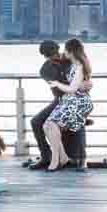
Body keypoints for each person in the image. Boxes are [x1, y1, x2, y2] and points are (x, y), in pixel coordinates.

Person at [29, 40, 87, 170]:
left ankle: (81, 158)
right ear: (45, 56)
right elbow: (61, 87)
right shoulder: (45, 70)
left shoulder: (70, 59)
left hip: (76, 99)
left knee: (78, 117)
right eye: (51, 54)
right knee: (36, 122)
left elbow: (83, 72)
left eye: (55, 52)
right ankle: (46, 156)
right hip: (60, 100)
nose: (55, 56)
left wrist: (83, 84)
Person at [45, 38, 95, 171]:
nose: (63, 52)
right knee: (47, 126)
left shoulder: (79, 66)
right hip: (69, 100)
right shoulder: (70, 62)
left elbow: (73, 88)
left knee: (52, 124)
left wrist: (57, 84)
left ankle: (56, 159)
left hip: (78, 101)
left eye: (65, 50)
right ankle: (63, 157)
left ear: (71, 51)